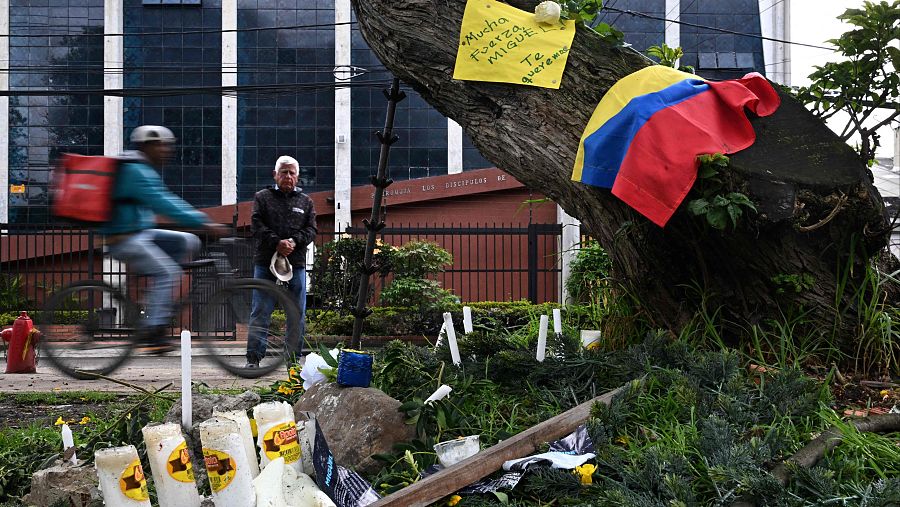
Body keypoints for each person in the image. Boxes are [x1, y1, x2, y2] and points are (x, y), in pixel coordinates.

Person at [101, 125, 226, 352]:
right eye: (162, 146)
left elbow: (166, 200)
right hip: (123, 239)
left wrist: (198, 224)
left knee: (189, 241)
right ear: (148, 146)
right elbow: (164, 203)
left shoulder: (142, 168)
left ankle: (157, 296)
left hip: (140, 233)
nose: (167, 150)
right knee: (169, 272)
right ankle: (153, 331)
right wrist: (203, 222)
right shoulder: (135, 170)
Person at [247, 155, 317, 368]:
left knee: (296, 313)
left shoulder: (306, 201)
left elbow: (312, 229)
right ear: (275, 175)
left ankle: (293, 360)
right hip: (265, 262)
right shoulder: (262, 197)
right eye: (284, 172)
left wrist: (294, 241)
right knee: (260, 310)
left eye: (292, 173)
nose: (288, 176)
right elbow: (256, 225)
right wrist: (277, 242)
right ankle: (253, 359)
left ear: (297, 177)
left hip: (295, 264)